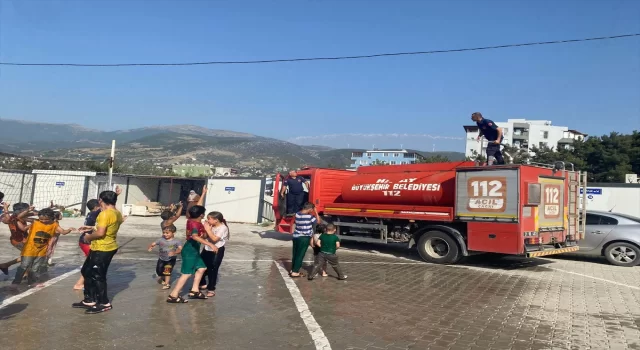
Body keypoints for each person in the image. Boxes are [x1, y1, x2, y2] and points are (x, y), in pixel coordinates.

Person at [73, 190, 123, 314]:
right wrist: (91, 228)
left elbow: (101, 233)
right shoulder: (117, 213)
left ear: (101, 200)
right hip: (99, 248)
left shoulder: (105, 214)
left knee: (98, 275)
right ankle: (89, 299)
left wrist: (88, 237)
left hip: (104, 248)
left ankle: (104, 303)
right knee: (86, 270)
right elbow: (108, 227)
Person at [167, 187, 215, 303]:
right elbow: (194, 236)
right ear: (201, 215)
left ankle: (194, 290)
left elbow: (197, 207)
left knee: (202, 268)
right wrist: (210, 244)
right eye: (203, 213)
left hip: (194, 250)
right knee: (186, 274)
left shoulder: (192, 219)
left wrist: (203, 193)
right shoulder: (195, 225)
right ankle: (173, 295)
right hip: (189, 251)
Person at [11, 208, 75, 287]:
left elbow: (63, 232)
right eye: (41, 219)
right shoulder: (35, 222)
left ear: (52, 218)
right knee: (24, 265)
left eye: (46, 219)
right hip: (29, 248)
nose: (43, 221)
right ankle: (16, 282)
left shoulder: (54, 224)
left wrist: (69, 229)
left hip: (42, 250)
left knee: (36, 267)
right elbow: (20, 217)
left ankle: (32, 282)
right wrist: (28, 211)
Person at [73, 199, 101, 290]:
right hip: (86, 241)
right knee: (92, 263)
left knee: (92, 262)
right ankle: (79, 284)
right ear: (96, 207)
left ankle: (86, 281)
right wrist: (114, 196)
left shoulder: (90, 214)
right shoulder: (94, 213)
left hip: (85, 240)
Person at [201, 211, 229, 297]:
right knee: (200, 266)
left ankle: (211, 289)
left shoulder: (222, 228)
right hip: (207, 248)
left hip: (217, 250)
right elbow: (206, 237)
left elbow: (214, 239)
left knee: (212, 269)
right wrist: (204, 232)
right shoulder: (211, 225)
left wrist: (208, 230)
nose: (207, 220)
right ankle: (203, 283)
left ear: (216, 220)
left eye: (209, 219)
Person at [289, 202, 320, 278]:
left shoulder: (297, 214)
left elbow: (293, 223)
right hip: (304, 238)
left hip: (296, 236)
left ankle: (293, 269)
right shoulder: (310, 217)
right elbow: (318, 221)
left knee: (295, 254)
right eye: (312, 210)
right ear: (310, 209)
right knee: (300, 255)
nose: (312, 211)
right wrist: (316, 212)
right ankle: (295, 272)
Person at [0, 202, 32, 275]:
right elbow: (23, 228)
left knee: (27, 255)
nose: (28, 211)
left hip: (23, 239)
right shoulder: (13, 219)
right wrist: (5, 208)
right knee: (29, 256)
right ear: (21, 211)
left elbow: (33, 214)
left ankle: (5, 265)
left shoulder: (21, 217)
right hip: (18, 241)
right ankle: (25, 273)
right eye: (26, 210)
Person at [148, 224, 182, 290]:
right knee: (159, 271)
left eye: (167, 233)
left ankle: (167, 284)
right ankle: (162, 277)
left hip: (171, 259)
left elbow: (180, 249)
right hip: (161, 258)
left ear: (173, 233)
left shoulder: (176, 241)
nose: (165, 234)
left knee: (167, 271)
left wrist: (174, 252)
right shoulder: (161, 240)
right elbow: (153, 244)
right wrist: (150, 247)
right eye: (164, 233)